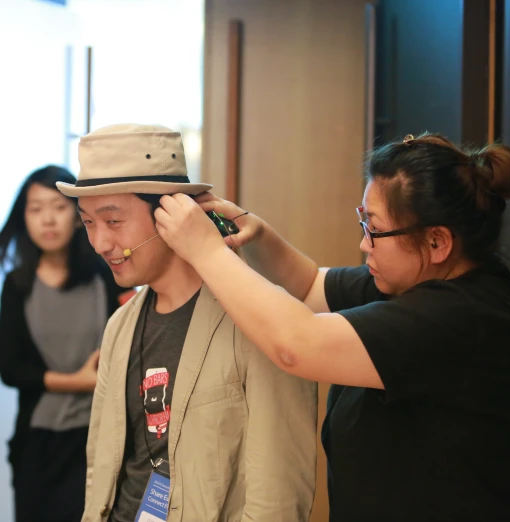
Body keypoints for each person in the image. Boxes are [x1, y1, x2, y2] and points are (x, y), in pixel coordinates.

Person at [154, 132, 510, 522]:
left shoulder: (463, 318)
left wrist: (205, 251)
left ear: (436, 243)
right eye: (364, 223)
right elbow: (310, 286)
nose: (364, 244)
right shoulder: (418, 281)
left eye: (374, 229)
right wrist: (254, 232)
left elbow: (297, 344)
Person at [57, 123, 318, 522]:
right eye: (88, 222)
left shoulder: (258, 321)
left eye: (113, 221)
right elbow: (103, 465)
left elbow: (279, 501)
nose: (100, 244)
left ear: (171, 212)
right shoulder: (121, 325)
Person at [0, 166, 131, 522]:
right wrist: (78, 382)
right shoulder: (17, 285)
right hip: (38, 443)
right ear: (23, 218)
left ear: (78, 215)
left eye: (58, 207)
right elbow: (11, 368)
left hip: (98, 436)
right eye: (36, 209)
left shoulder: (106, 275)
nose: (48, 220)